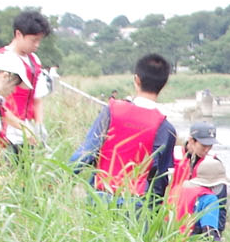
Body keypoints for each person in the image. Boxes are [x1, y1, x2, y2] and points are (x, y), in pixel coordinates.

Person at [72, 52, 178, 202]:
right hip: (135, 203)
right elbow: (160, 179)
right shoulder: (166, 128)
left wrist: (62, 179)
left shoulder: (112, 111)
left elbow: (86, 152)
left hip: (100, 195)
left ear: (136, 80)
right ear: (164, 84)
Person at [0, 11, 52, 126]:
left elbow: (37, 99)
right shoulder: (0, 59)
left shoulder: (34, 61)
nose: (37, 45)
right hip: (4, 127)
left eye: (39, 40)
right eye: (33, 40)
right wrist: (21, 127)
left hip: (26, 127)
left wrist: (39, 125)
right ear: (18, 34)